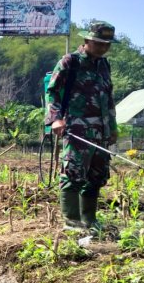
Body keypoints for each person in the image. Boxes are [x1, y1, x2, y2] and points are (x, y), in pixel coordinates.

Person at [45, 20, 118, 231]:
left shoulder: (104, 65)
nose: (104, 48)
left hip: (101, 131)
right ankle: (72, 221)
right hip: (77, 129)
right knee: (73, 174)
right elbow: (52, 92)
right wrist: (56, 119)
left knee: (97, 176)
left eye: (107, 44)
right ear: (87, 40)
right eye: (99, 43)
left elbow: (108, 97)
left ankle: (89, 220)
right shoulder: (70, 62)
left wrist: (112, 127)